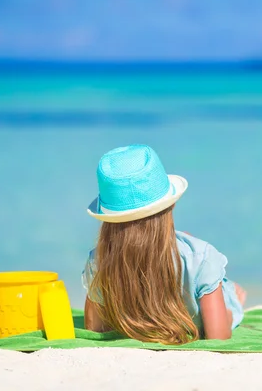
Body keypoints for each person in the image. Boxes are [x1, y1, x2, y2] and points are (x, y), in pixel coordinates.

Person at [81, 144, 246, 345]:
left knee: (190, 253)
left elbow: (94, 327)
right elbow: (218, 337)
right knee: (212, 274)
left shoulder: (99, 260)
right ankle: (232, 292)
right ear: (172, 203)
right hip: (195, 267)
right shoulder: (203, 258)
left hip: (188, 264)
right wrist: (230, 314)